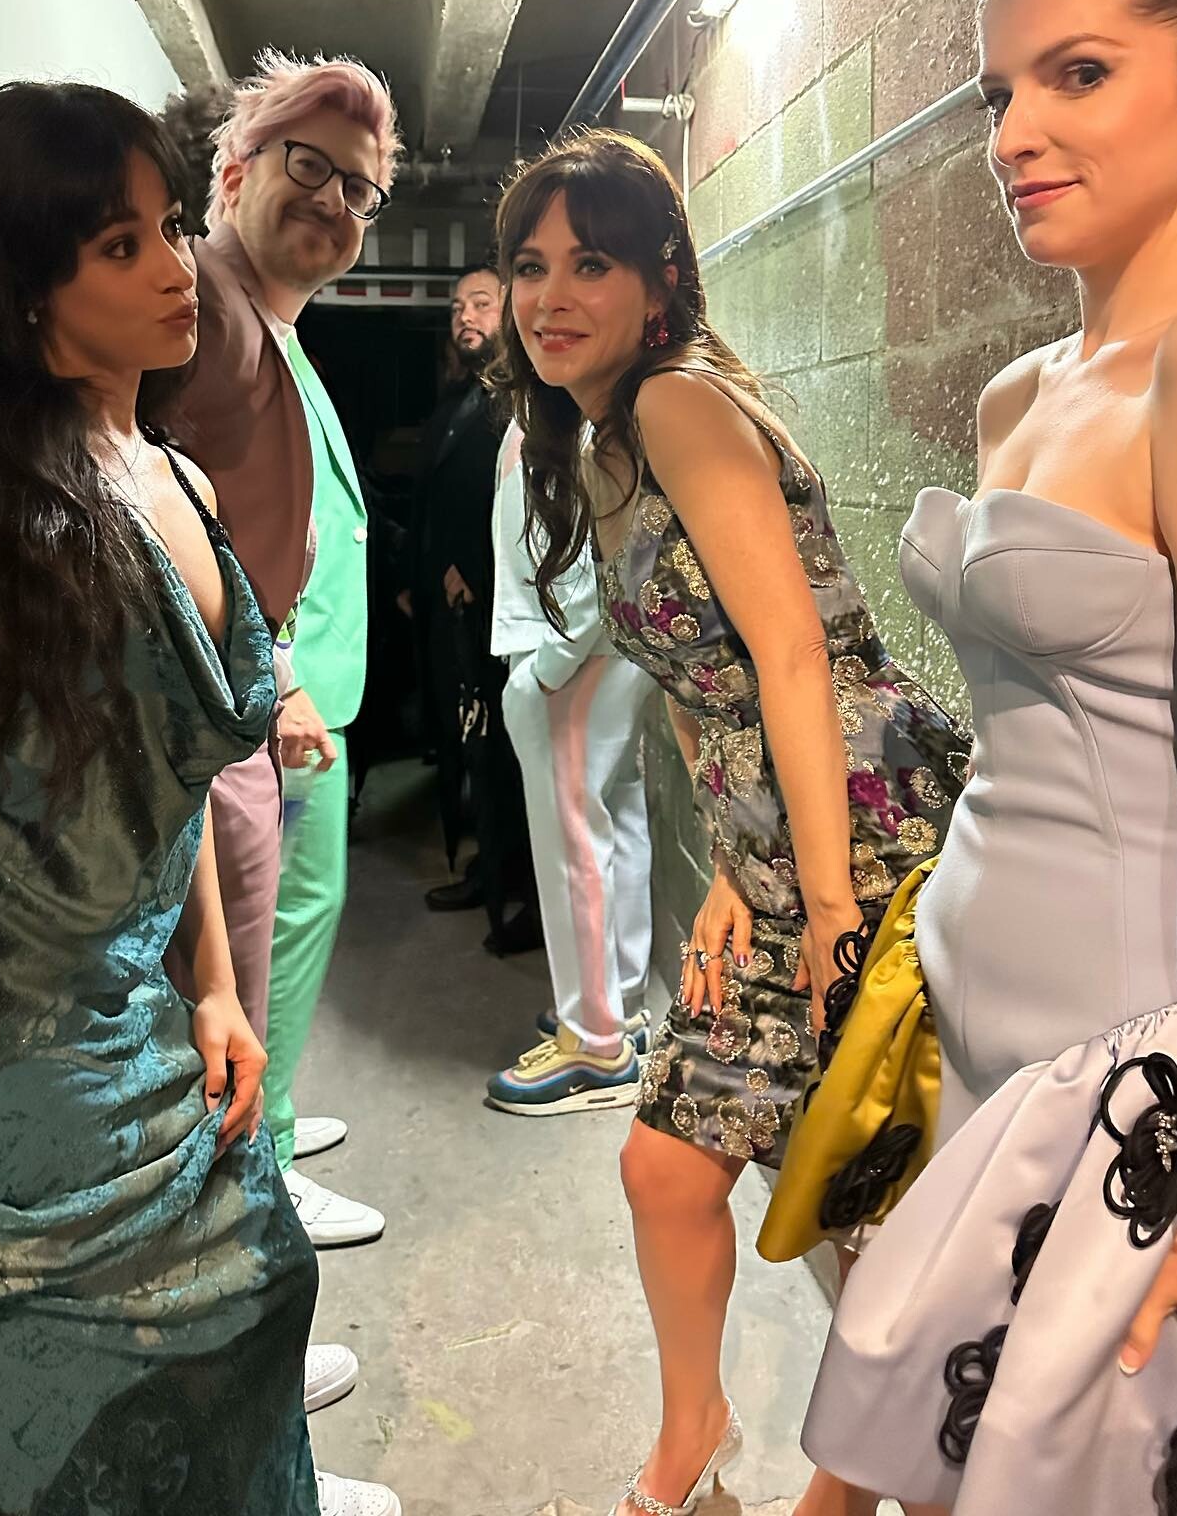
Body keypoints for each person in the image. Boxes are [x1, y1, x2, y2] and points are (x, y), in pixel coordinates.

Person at [801, 0, 1177, 1516]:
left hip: (1139, 1055)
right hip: (974, 1011)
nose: (1016, 133)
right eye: (999, 90)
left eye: (1079, 74)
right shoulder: (1021, 389)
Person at [0, 81, 397, 1516]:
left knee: (255, 1288)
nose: (174, 268)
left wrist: (215, 984)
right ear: (24, 279)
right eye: (120, 245)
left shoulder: (174, 476)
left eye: (167, 228)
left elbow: (174, 785)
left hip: (140, 1029)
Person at [492, 129, 967, 1516]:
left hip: (865, 825)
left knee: (873, 1179)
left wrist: (826, 901)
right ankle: (697, 1437)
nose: (551, 296)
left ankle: (855, 1486)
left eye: (591, 263)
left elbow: (795, 657)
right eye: (530, 265)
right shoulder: (601, 437)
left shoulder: (678, 403)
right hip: (782, 841)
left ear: (661, 281)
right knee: (670, 1165)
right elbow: (700, 684)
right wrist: (731, 878)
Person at [161, 50, 398, 1253]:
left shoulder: (263, 323)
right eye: (310, 166)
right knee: (223, 1002)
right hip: (230, 725)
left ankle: (262, 1170)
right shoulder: (206, 314)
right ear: (234, 170)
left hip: (261, 715)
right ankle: (243, 1242)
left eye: (358, 188)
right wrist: (281, 675)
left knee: (264, 961)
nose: (334, 201)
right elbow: (180, 530)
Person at [485, 415, 656, 1113]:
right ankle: (618, 1007)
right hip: (599, 647)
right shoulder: (580, 402)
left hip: (575, 652)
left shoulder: (569, 405)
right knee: (614, 818)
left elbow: (608, 544)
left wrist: (547, 666)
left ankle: (594, 1042)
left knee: (572, 842)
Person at [405, 269, 539, 954]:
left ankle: (517, 883)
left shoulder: (519, 401)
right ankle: (491, 866)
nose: (466, 316)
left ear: (508, 311)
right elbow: (435, 497)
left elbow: (511, 508)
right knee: (471, 747)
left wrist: (472, 573)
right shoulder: (460, 397)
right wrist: (418, 576)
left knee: (502, 752)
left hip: (492, 604)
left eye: (481, 304)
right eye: (458, 307)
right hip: (449, 601)